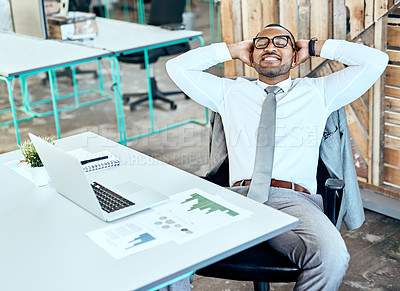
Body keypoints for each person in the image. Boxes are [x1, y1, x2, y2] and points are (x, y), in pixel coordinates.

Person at [164, 24, 388, 290]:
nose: (270, 47)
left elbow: (376, 61)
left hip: (294, 201)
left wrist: (315, 46)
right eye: (261, 43)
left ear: (295, 56)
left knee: (333, 257)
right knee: (168, 252)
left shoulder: (320, 92)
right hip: (236, 198)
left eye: (282, 42)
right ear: (251, 54)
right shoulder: (228, 92)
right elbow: (176, 68)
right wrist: (233, 50)